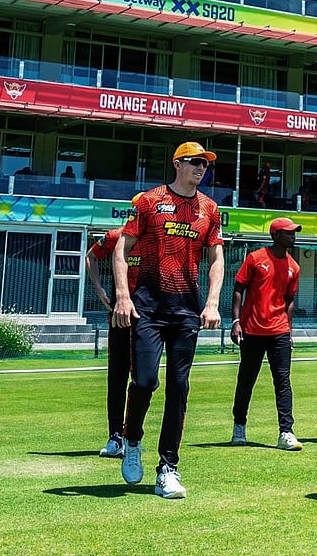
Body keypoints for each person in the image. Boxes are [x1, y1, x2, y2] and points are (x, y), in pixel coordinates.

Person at [113, 142, 224, 500]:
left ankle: (168, 468)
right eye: (194, 162)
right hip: (148, 307)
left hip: (186, 311)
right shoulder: (148, 201)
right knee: (144, 381)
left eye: (205, 164)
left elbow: (217, 257)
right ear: (177, 164)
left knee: (180, 385)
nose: (200, 168)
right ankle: (131, 439)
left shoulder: (209, 208)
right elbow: (121, 249)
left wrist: (211, 303)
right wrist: (123, 297)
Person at [229, 217, 303, 451]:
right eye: (288, 232)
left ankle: (286, 432)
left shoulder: (294, 266)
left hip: (279, 331)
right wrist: (236, 321)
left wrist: (289, 330)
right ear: (275, 235)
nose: (293, 236)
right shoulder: (255, 258)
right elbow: (239, 288)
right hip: (252, 330)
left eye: (294, 233)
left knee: (283, 382)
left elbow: (289, 300)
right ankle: (239, 426)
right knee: (246, 380)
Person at [83, 196, 142, 459]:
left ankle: (132, 435)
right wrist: (100, 291)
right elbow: (91, 257)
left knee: (143, 380)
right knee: (117, 377)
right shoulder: (115, 236)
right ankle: (115, 436)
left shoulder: (160, 243)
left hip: (148, 317)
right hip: (119, 316)